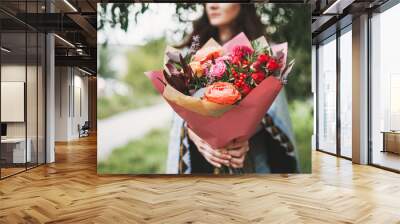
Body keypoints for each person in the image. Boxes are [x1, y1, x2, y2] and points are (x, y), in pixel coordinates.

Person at [167, 3, 299, 174]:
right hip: (201, 168)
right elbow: (180, 113)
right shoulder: (190, 55)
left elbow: (274, 111)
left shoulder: (265, 55)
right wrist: (195, 134)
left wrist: (243, 133)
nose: (212, 5)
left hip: (255, 164)